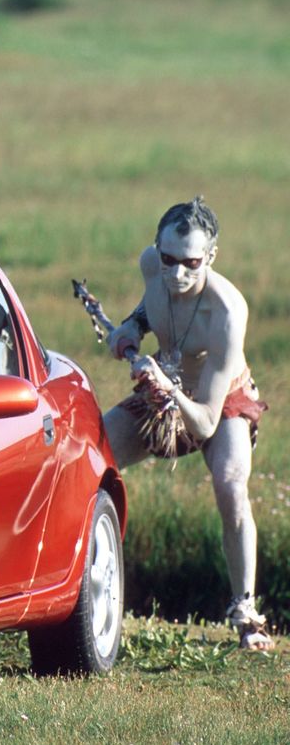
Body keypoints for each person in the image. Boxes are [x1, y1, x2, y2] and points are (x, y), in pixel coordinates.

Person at [104, 197, 272, 651]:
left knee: (230, 483)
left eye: (191, 264)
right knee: (93, 456)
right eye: (168, 259)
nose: (176, 274)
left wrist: (170, 389)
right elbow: (149, 305)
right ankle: (83, 592)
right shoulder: (151, 265)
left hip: (218, 400)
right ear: (157, 249)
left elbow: (203, 422)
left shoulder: (227, 312)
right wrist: (131, 328)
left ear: (211, 257)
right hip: (166, 382)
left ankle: (246, 611)